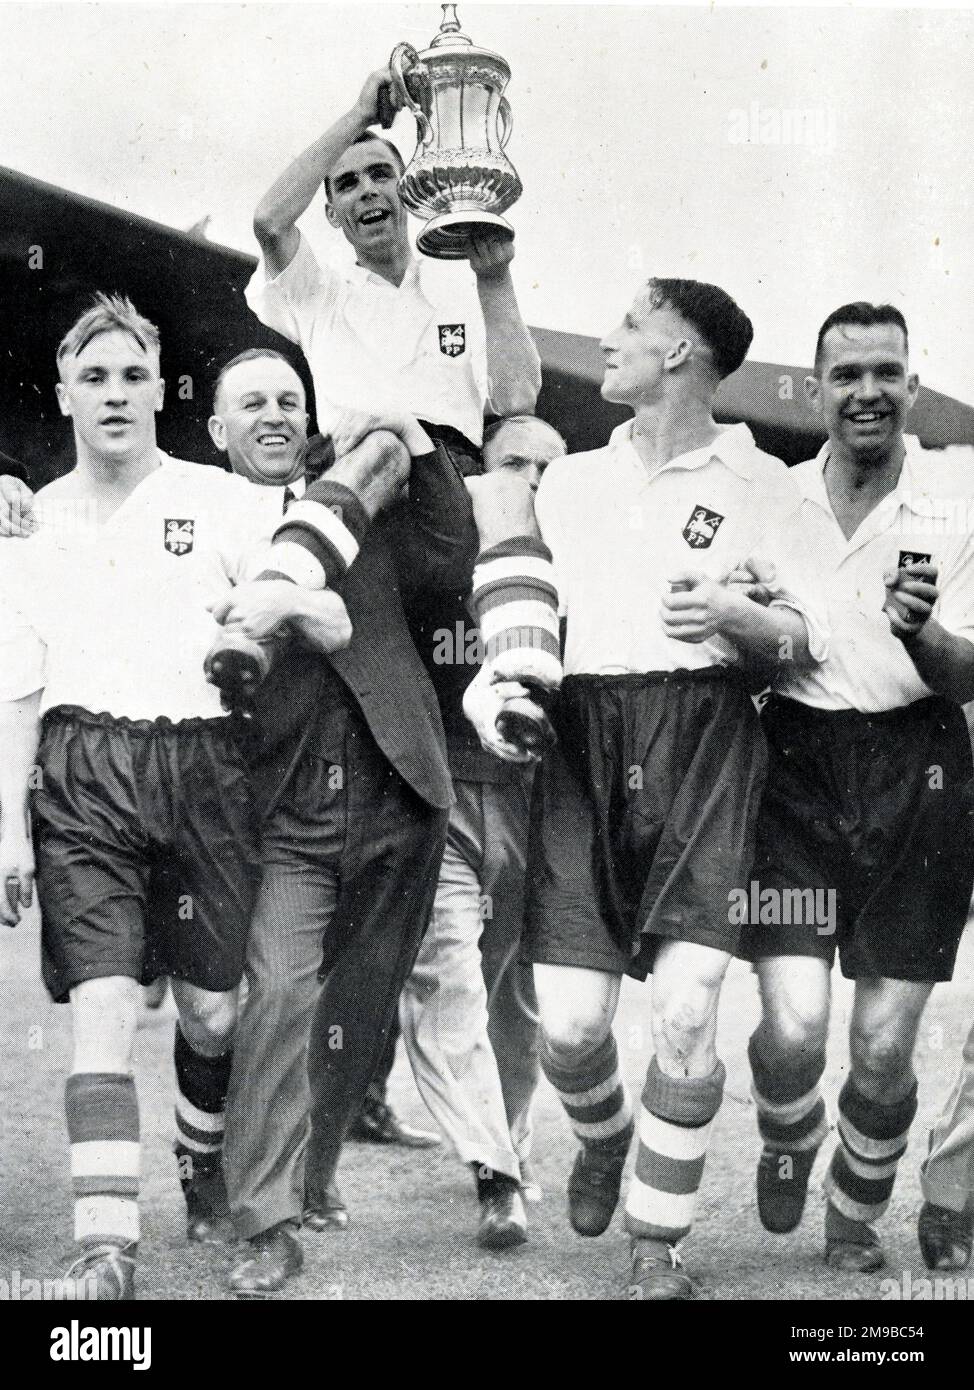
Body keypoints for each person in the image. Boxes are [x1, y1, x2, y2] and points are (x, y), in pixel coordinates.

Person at [464, 277, 827, 1300]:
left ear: (677, 353)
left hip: (705, 738)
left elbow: (801, 641)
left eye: (627, 325)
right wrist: (501, 695)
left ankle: (654, 1243)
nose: (608, 340)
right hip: (584, 740)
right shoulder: (570, 480)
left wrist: (739, 616)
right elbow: (521, 623)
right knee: (572, 1026)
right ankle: (598, 1135)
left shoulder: (763, 484)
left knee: (685, 1005)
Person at [0, 297, 352, 1300]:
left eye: (132, 377)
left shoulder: (225, 503)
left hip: (204, 772)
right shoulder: (28, 525)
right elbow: (17, 693)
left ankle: (202, 1160)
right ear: (64, 395)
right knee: (103, 1008)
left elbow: (323, 606)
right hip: (81, 777)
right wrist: (7, 836)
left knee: (210, 1013)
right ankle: (105, 1248)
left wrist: (285, 604)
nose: (114, 394)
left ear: (162, 391)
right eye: (94, 378)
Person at [203, 352, 480, 1295]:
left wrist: (413, 439)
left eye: (289, 399)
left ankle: (313, 1176)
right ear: (217, 429)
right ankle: (267, 1224)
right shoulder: (201, 516)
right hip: (285, 810)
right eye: (252, 403)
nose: (275, 415)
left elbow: (454, 551)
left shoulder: (356, 489)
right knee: (280, 996)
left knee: (357, 1014)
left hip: (401, 787)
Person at [740, 302, 974, 1275]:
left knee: (881, 1044)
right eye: (845, 374)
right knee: (790, 1028)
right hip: (788, 773)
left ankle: (850, 1212)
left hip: (916, 773)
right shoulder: (769, 498)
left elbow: (963, 677)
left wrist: (916, 631)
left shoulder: (955, 497)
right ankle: (788, 1132)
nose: (866, 391)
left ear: (911, 384)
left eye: (885, 371)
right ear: (816, 385)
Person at [397, 414, 567, 1249]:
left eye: (547, 470)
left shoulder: (574, 564)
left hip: (539, 804)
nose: (530, 484)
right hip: (447, 796)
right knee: (451, 978)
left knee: (520, 1000)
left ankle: (516, 1139)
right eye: (514, 465)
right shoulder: (435, 553)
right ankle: (494, 1172)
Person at [246, 65, 541, 473]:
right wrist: (360, 115)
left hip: (449, 475)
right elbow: (269, 222)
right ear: (332, 213)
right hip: (355, 470)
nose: (367, 189)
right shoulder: (317, 290)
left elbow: (518, 399)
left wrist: (495, 279)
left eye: (380, 174)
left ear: (405, 190)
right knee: (381, 446)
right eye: (348, 183)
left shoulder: (461, 283)